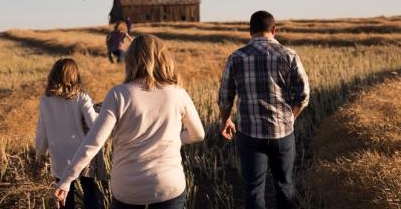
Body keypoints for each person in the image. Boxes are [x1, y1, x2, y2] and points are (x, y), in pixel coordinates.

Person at [55, 34, 205, 209]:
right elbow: (198, 135)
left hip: (128, 189)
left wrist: (66, 179)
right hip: (168, 186)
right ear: (163, 58)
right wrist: (170, 139)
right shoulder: (178, 93)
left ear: (131, 60)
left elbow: (94, 142)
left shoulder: (118, 94)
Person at [218, 11, 310, 209]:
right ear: (274, 30)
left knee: (253, 189)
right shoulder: (289, 55)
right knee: (284, 187)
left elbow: (225, 98)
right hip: (283, 134)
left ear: (250, 31)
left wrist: (225, 120)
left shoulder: (236, 57)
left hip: (250, 135)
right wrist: (290, 118)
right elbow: (303, 96)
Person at [36, 58, 105, 209]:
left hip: (59, 156)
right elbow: (95, 125)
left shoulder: (46, 100)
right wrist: (102, 112)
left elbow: (42, 130)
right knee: (91, 194)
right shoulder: (82, 97)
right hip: (82, 156)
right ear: (75, 76)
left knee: (65, 200)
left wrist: (40, 152)